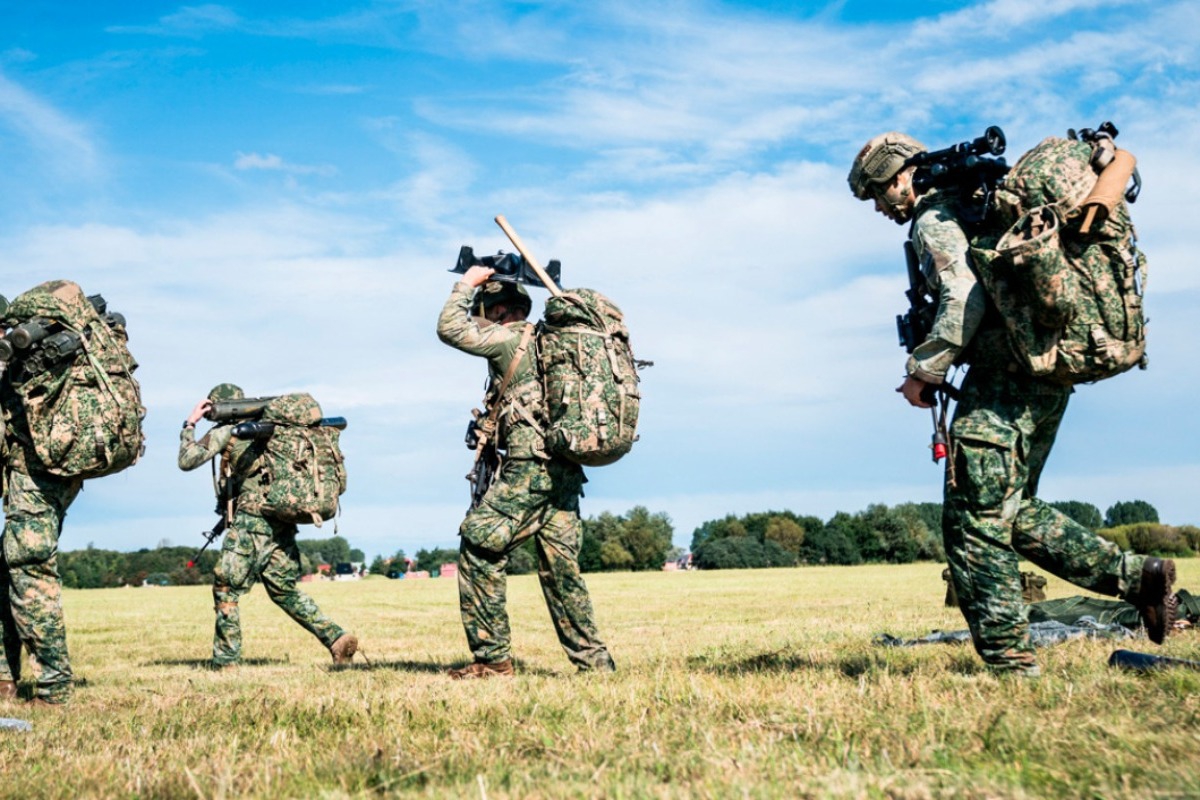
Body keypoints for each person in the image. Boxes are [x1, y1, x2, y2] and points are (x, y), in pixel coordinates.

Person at [848, 131, 1177, 676]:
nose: (881, 208)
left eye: (880, 194)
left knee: (973, 521)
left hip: (1006, 379)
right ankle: (1137, 577)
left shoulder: (936, 219)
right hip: (1047, 372)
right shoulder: (979, 204)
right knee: (1012, 507)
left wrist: (924, 370)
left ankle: (1011, 665)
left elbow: (963, 295)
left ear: (902, 176)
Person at [437, 268, 615, 679]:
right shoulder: (550, 344)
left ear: (500, 309)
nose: (480, 318)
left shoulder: (510, 338)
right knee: (562, 571)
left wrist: (467, 283)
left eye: (484, 311)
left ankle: (493, 661)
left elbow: (449, 328)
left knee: (479, 545)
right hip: (566, 472)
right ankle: (596, 666)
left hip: (530, 468)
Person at [179, 383, 357, 670]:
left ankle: (226, 663)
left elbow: (186, 460)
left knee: (226, 587)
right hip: (282, 519)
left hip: (253, 521)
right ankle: (336, 638)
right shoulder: (270, 431)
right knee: (284, 589)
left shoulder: (229, 432)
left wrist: (190, 424)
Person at [0, 390, 83, 706]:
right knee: (7, 565)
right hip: (63, 465)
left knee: (29, 570)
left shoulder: (16, 358)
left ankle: (54, 691)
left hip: (34, 469)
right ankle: (5, 678)